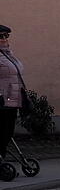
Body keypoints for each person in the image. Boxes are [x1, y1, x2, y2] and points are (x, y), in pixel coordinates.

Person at [0, 24, 25, 163]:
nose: (4, 38)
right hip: (1, 101)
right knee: (2, 133)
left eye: (6, 36)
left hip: (12, 100)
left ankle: (2, 159)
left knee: (7, 133)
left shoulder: (8, 54)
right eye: (1, 36)